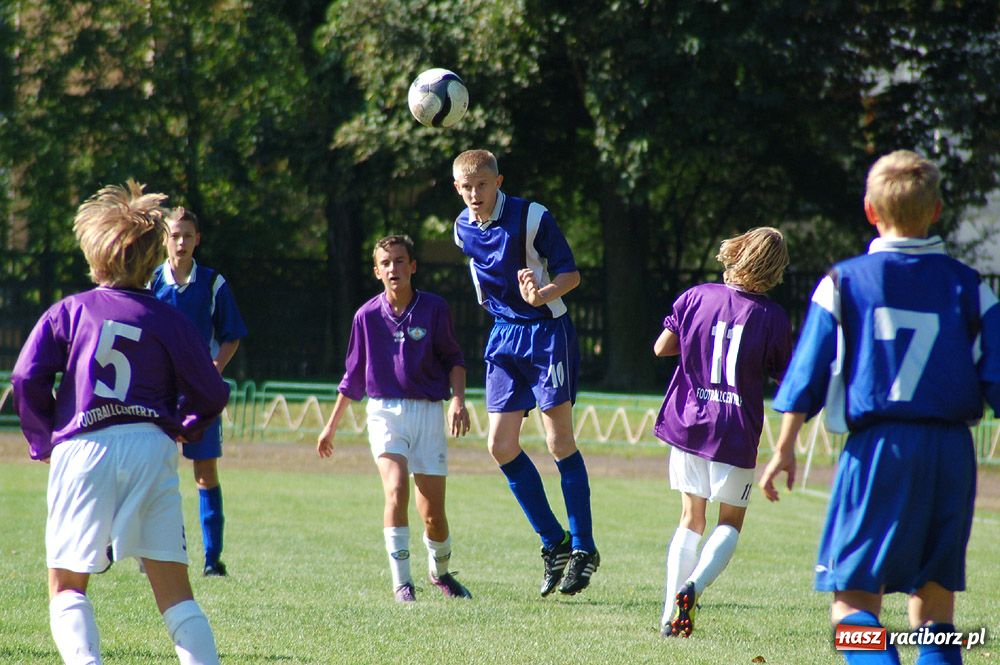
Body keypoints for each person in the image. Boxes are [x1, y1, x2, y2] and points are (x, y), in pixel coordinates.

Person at [759, 150, 1000, 665]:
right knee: (935, 609)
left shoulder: (846, 281)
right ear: (936, 211)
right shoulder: (971, 287)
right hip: (951, 452)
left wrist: (784, 448)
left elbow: (806, 376)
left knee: (852, 602)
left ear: (870, 210)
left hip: (878, 450)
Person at [11, 180, 230, 665]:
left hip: (84, 447)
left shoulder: (69, 311)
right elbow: (213, 392)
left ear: (95, 253)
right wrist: (181, 425)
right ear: (154, 257)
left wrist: (42, 439)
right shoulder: (170, 320)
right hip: (150, 448)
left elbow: (26, 377)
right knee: (176, 594)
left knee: (67, 586)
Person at [451, 149, 599, 596]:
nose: (474, 194)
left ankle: (584, 548)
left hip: (546, 331)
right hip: (503, 337)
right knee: (499, 445)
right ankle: (554, 542)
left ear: (498, 182)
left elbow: (570, 275)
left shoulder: (532, 217)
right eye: (466, 187)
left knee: (559, 441)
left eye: (482, 185)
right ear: (457, 189)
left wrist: (541, 294)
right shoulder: (461, 229)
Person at [317, 235, 473, 603]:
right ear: (376, 271)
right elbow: (352, 377)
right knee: (396, 487)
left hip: (428, 412)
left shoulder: (434, 309)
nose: (394, 269)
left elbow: (455, 360)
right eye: (386, 263)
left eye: (400, 261)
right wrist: (330, 426)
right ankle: (402, 583)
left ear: (413, 266)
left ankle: (441, 571)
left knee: (433, 513)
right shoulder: (366, 316)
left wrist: (459, 401)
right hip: (384, 411)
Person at [653, 227, 792, 637]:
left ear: (738, 252)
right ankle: (692, 589)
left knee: (690, 519)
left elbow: (661, 347)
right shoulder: (772, 317)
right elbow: (785, 376)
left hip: (689, 423)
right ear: (774, 269)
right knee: (728, 523)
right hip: (734, 430)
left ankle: (668, 612)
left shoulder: (696, 296)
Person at [149, 207, 248, 577]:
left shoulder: (212, 282)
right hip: (157, 391)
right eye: (174, 235)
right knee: (155, 469)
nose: (181, 242)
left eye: (187, 235)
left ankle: (212, 560)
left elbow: (232, 334)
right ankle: (158, 552)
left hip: (198, 393)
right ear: (165, 239)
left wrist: (214, 369)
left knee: (205, 471)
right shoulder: (150, 282)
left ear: (197, 240)